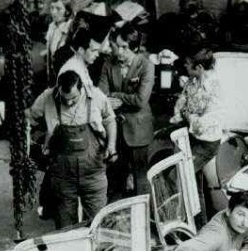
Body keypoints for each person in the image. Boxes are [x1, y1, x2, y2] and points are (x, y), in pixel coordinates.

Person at [28, 68, 117, 229]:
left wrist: (111, 145)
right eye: (64, 98)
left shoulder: (96, 96)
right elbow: (31, 119)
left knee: (99, 222)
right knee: (64, 226)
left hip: (93, 172)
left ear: (81, 88)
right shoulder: (47, 97)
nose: (68, 103)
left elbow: (110, 119)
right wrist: (39, 141)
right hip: (62, 174)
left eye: (73, 98)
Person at [98, 22, 154, 199]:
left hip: (138, 131)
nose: (119, 52)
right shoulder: (108, 64)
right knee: (114, 177)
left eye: (124, 48)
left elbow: (140, 100)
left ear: (135, 48)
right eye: (118, 46)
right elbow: (101, 95)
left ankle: (141, 219)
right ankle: (116, 218)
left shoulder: (146, 66)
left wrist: (116, 97)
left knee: (140, 179)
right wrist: (110, 99)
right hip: (114, 131)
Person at [170, 46, 222, 224]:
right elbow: (180, 105)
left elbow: (201, 124)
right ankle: (198, 224)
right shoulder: (192, 81)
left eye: (188, 65)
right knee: (193, 183)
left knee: (180, 177)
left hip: (207, 142)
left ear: (199, 67)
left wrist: (187, 115)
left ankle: (191, 223)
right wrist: (185, 114)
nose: (185, 67)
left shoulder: (214, 86)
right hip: (191, 138)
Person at [45, 0, 73, 86]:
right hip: (53, 74)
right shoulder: (52, 26)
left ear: (67, 11)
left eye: (58, 9)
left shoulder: (71, 28)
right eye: (52, 8)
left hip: (67, 74)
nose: (53, 12)